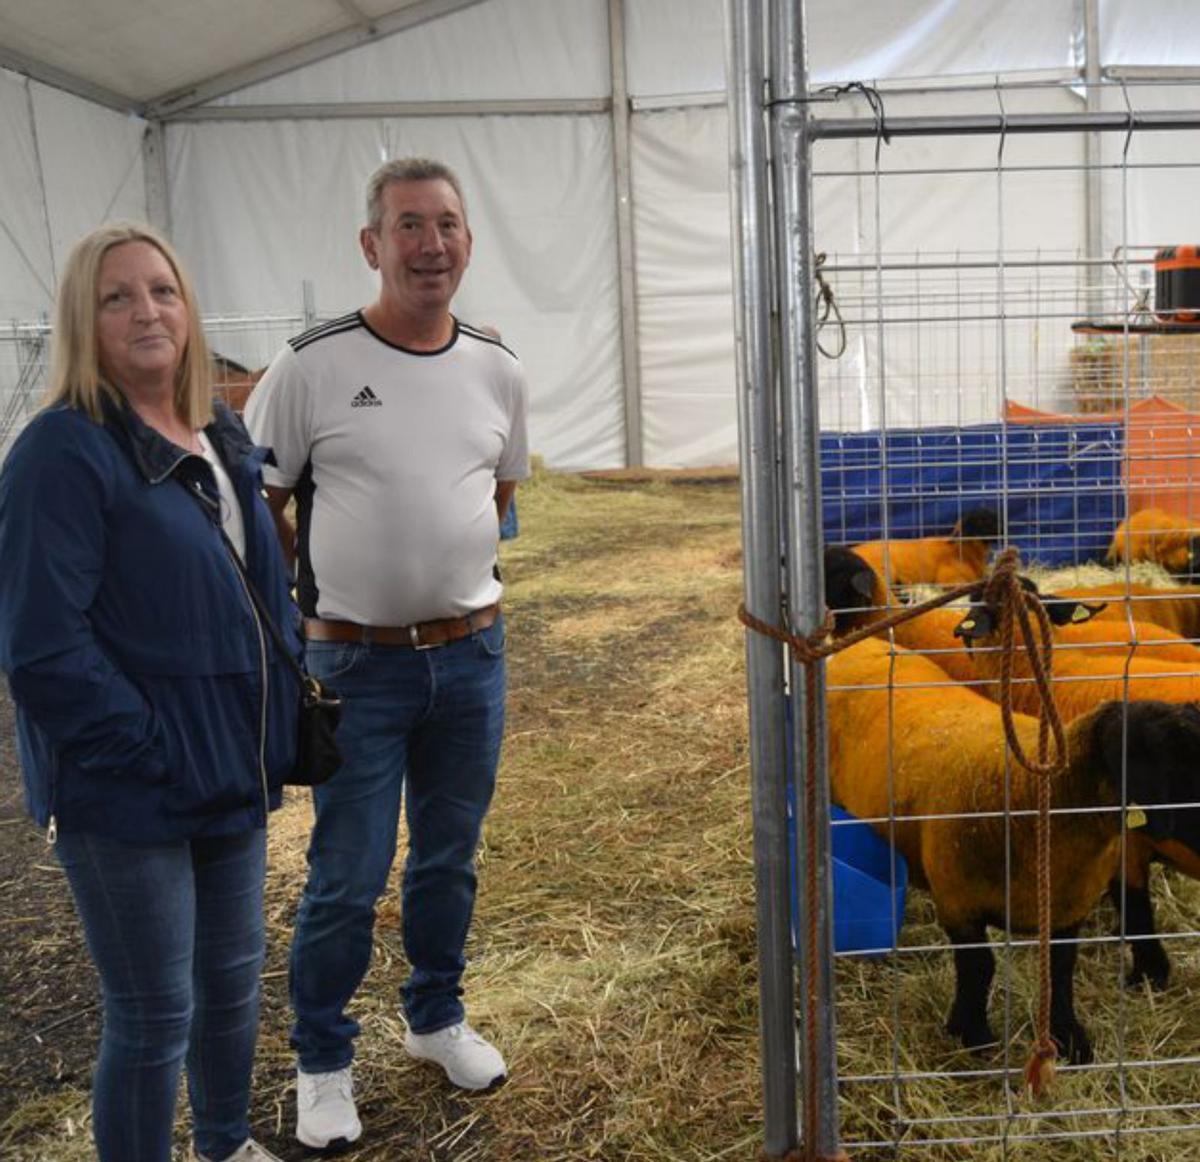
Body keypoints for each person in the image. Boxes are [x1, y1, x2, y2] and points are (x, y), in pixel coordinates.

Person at [244, 156, 529, 1151]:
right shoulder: (311, 365)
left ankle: (434, 1018)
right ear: (373, 244)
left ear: (468, 241)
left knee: (448, 858)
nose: (431, 243)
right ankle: (323, 1059)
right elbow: (258, 504)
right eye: (409, 225)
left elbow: (499, 493)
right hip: (354, 668)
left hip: (471, 658)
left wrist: (443, 578)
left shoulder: (496, 363)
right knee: (349, 872)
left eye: (447, 224)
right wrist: (321, 603)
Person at [0, 222, 301, 1162]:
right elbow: (40, 645)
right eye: (117, 297)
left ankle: (224, 1143)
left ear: (189, 308)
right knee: (151, 1010)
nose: (147, 312)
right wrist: (147, 749)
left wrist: (281, 714)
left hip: (231, 769)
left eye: (162, 291)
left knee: (233, 983)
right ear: (82, 322)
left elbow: (259, 589)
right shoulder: (63, 451)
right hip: (132, 790)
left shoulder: (218, 428)